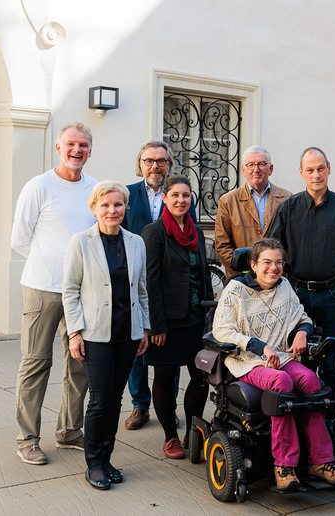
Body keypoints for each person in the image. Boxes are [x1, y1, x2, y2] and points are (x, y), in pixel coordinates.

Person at [212, 238, 335, 491]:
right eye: (266, 262)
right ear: (253, 265)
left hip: (282, 358)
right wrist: (258, 346)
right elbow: (221, 330)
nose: (273, 268)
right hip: (248, 362)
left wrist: (302, 331)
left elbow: (302, 317)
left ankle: (320, 461)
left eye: (278, 262)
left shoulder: (284, 286)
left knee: (311, 381)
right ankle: (283, 465)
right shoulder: (236, 289)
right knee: (282, 382)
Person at [11, 122, 97, 465]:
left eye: (84, 145)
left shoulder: (94, 189)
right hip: (42, 288)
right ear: (58, 148)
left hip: (82, 291)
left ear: (91, 150)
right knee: (36, 363)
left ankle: (69, 430)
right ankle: (27, 438)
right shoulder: (39, 186)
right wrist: (51, 264)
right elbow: (19, 239)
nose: (77, 150)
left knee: (79, 363)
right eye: (71, 144)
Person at [63, 181, 150, 490]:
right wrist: (74, 333)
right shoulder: (81, 242)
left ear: (125, 208)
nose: (112, 210)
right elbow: (70, 291)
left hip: (128, 333)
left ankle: (107, 457)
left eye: (118, 205)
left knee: (115, 400)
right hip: (94, 334)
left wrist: (144, 328)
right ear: (94, 208)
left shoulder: (136, 242)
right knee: (100, 400)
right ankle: (94, 463)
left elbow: (141, 290)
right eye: (105, 205)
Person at [267, 147, 335, 422]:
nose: (316, 175)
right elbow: (271, 249)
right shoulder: (288, 208)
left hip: (332, 296)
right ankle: (301, 423)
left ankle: (328, 425)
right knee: (296, 362)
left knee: (330, 366)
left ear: (329, 168)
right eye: (310, 170)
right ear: (301, 173)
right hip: (296, 296)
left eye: (320, 168)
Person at [122, 141, 196, 431]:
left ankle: (168, 405)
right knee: (138, 345)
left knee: (171, 351)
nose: (155, 166)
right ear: (140, 163)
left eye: (161, 161)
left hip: (170, 284)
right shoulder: (127, 194)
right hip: (132, 280)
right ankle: (140, 405)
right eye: (149, 160)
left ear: (170, 164)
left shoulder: (179, 194)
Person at [142, 174, 213, 459]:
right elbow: (150, 281)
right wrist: (156, 324)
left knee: (201, 377)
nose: (181, 200)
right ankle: (170, 436)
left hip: (197, 319)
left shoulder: (196, 232)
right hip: (168, 322)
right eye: (175, 196)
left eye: (186, 196)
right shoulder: (154, 232)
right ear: (165, 199)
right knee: (164, 376)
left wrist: (211, 313)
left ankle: (193, 431)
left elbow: (203, 273)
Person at [214, 146, 291, 276]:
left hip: (276, 277)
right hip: (242, 279)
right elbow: (222, 246)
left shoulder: (288, 199)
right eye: (250, 165)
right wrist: (247, 271)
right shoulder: (228, 201)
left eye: (261, 164)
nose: (256, 169)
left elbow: (292, 243)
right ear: (243, 170)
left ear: (270, 169)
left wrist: (277, 270)